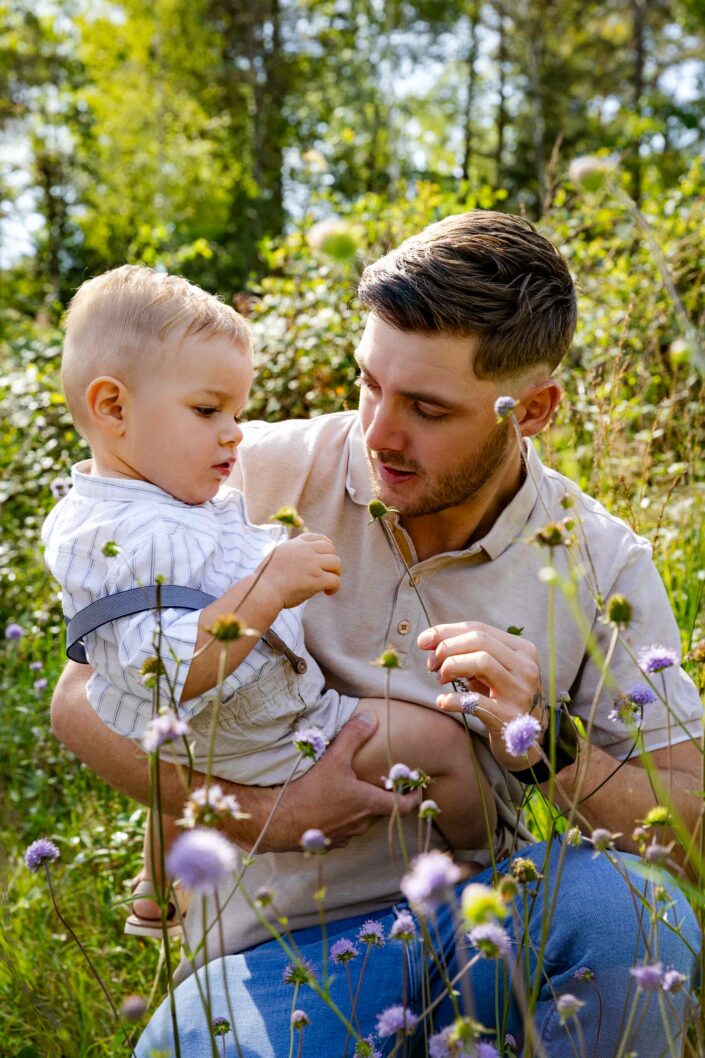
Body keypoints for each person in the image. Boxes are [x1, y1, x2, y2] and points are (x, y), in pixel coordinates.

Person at [51, 213, 701, 1056]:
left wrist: (541, 741)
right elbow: (80, 702)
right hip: (276, 959)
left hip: (484, 924)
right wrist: (264, 816)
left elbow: (688, 831)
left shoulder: (599, 561)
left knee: (638, 912)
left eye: (426, 408)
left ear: (532, 410)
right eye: (368, 383)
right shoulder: (231, 474)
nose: (378, 431)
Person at [42, 264, 494, 938]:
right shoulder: (148, 531)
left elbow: (144, 681)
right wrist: (271, 582)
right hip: (269, 729)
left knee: (172, 742)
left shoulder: (129, 504)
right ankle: (482, 866)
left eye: (236, 413)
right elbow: (167, 668)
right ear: (113, 408)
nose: (233, 434)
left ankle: (154, 893)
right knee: (442, 746)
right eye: (207, 410)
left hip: (199, 725)